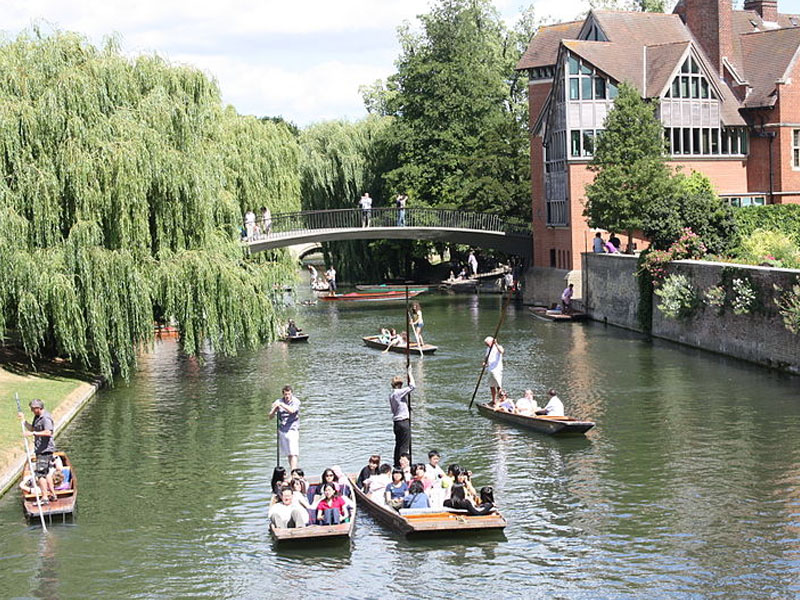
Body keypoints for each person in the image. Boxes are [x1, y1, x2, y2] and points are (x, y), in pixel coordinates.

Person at [18, 399, 57, 503]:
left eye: (32, 409)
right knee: (46, 473)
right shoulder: (37, 417)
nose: (31, 411)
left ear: (38, 408)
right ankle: (53, 494)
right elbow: (33, 428)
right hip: (40, 449)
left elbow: (48, 432)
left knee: (40, 474)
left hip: (45, 450)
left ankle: (44, 498)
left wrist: (33, 434)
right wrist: (24, 421)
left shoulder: (45, 419)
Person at [269, 385, 301, 471]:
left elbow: (291, 411)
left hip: (292, 429)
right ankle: (293, 470)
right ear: (283, 394)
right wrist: (274, 409)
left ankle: (294, 472)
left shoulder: (296, 401)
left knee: (293, 452)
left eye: (289, 394)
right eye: (285, 394)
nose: (287, 396)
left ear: (291, 394)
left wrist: (281, 405)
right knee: (289, 453)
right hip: (282, 430)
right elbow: (270, 416)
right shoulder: (279, 401)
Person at [389, 368, 415, 467]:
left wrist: (406, 408)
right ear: (399, 385)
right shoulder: (398, 393)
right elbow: (412, 386)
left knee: (398, 445)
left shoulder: (391, 395)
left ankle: (396, 464)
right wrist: (410, 373)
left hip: (396, 423)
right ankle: (403, 465)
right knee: (404, 446)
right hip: (403, 422)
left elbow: (394, 409)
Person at [483, 336, 504, 405]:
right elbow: (486, 357)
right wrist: (485, 362)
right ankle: (494, 400)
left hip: (497, 369)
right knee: (491, 385)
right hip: (490, 369)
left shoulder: (498, 347)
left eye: (487, 343)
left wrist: (496, 344)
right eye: (486, 344)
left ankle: (501, 400)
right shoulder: (488, 349)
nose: (487, 345)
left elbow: (502, 351)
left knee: (498, 386)